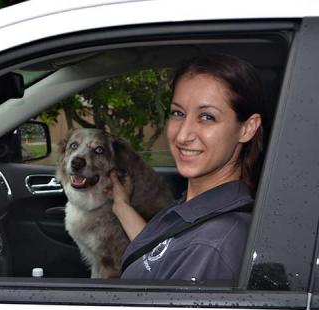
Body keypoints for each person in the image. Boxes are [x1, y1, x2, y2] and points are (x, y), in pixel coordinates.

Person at [103, 53, 266, 282]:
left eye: (207, 117)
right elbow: (162, 253)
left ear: (247, 128)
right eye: (178, 113)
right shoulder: (202, 207)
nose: (182, 135)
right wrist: (121, 206)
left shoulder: (212, 247)